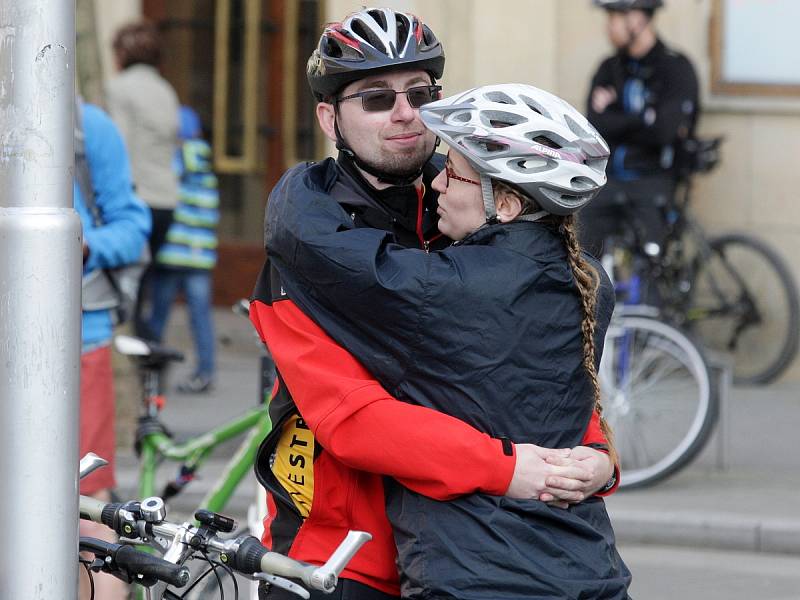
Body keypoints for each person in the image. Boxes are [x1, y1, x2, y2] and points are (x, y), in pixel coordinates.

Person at [249, 8, 618, 600]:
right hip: (345, 559)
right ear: (329, 117)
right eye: (375, 98)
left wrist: (596, 456)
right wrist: (506, 467)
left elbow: (541, 361)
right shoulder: (306, 254)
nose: (405, 113)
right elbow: (353, 418)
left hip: (462, 550)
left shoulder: (470, 204)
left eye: (419, 92)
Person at [76, 101, 152, 600]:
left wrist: (82, 246)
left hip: (75, 339)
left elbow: (131, 227)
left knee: (85, 505)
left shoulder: (85, 127)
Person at [579, 0, 699, 258]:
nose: (607, 27)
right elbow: (594, 124)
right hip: (607, 181)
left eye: (613, 17)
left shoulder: (675, 68)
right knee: (580, 252)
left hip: (653, 180)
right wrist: (643, 118)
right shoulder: (609, 68)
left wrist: (616, 114)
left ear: (637, 19)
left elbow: (664, 132)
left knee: (651, 268)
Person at [106, 19, 180, 338]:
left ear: (122, 53)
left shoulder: (119, 88)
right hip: (165, 200)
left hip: (135, 198)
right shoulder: (166, 91)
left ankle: (131, 363)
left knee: (120, 293)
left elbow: (116, 147)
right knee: (142, 286)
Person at [147, 106, 220, 393]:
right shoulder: (207, 171)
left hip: (172, 254)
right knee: (200, 316)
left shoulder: (173, 165)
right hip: (199, 256)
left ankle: (151, 372)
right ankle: (205, 371)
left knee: (158, 315)